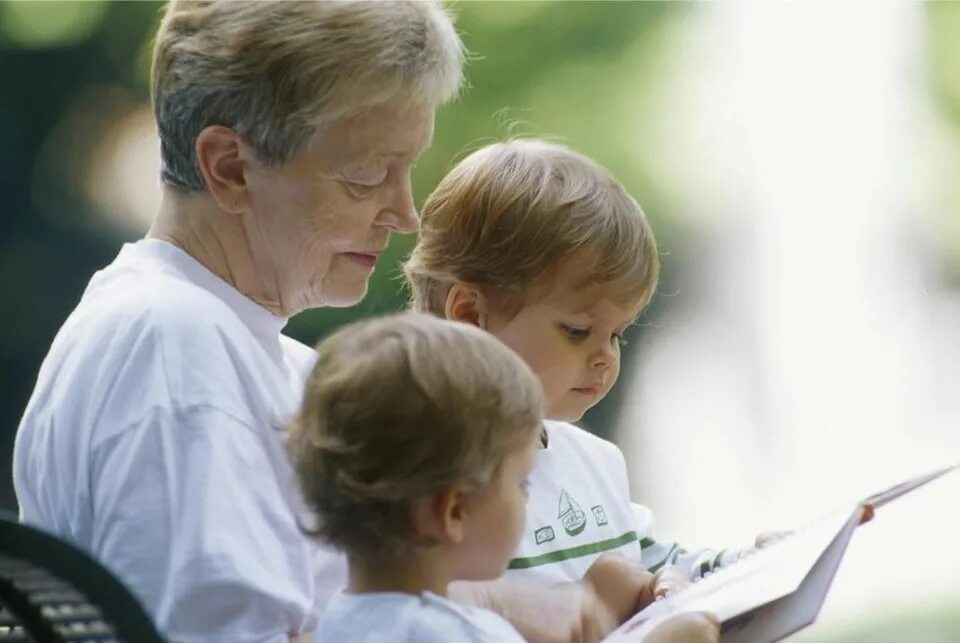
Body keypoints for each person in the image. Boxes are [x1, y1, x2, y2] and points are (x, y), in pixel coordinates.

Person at [14, 1, 463, 641]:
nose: (405, 213)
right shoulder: (175, 349)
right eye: (366, 175)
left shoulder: (244, 350)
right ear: (229, 168)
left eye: (407, 168)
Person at [404, 139, 755, 591]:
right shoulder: (414, 478)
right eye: (577, 330)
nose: (606, 357)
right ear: (471, 316)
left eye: (616, 335)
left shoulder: (593, 460)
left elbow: (653, 562)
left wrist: (755, 564)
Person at [288, 312, 720, 643]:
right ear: (453, 511)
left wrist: (602, 595)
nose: (527, 499)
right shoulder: (459, 634)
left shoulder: (338, 623)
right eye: (521, 483)